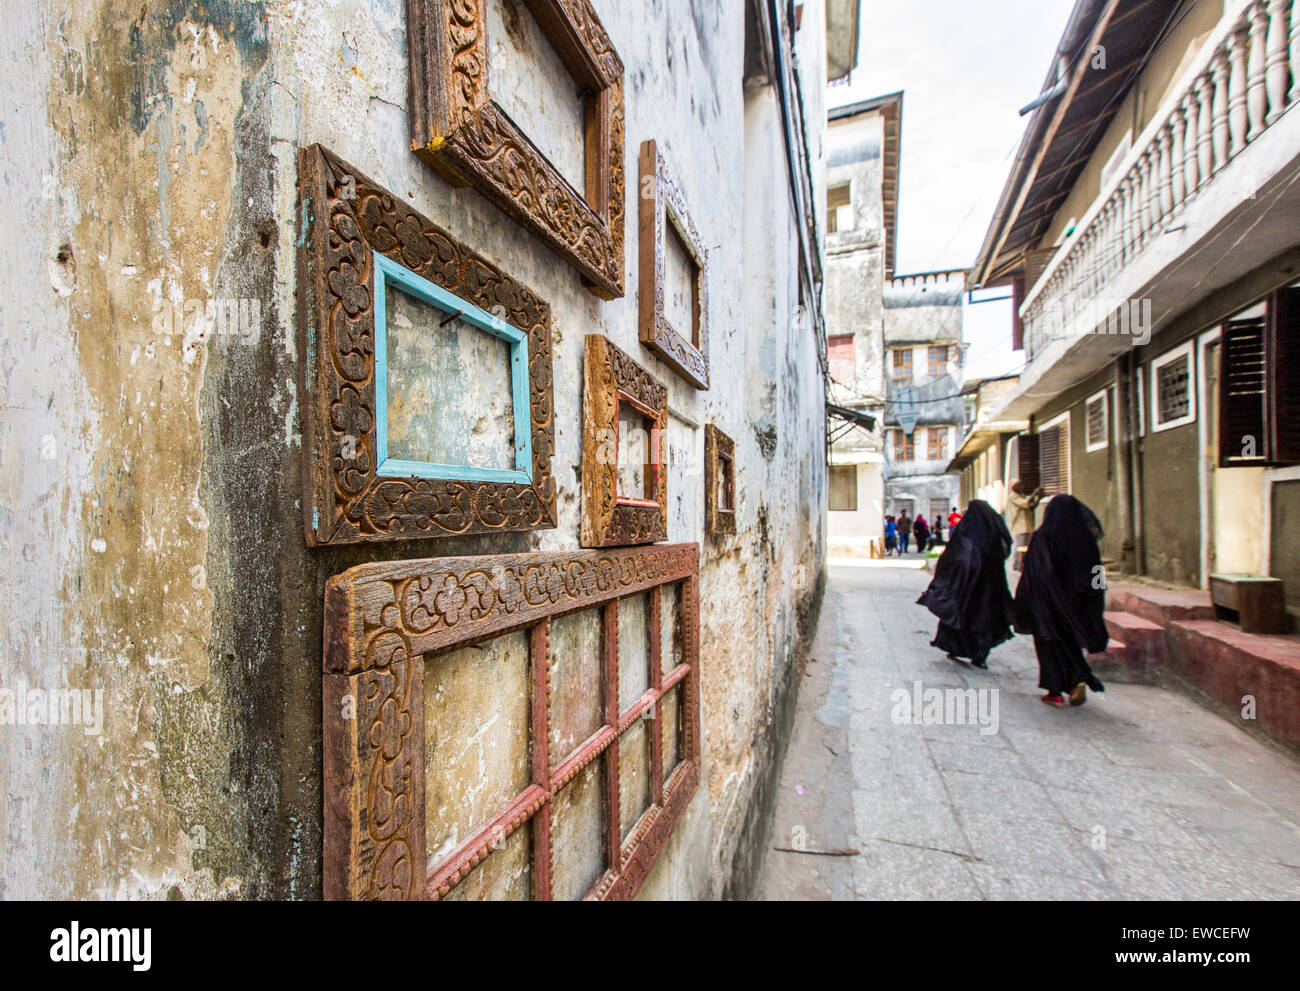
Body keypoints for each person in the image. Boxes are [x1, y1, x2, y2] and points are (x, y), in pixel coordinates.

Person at [1013, 494, 1108, 708]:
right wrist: (1095, 598)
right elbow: (1098, 573)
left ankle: (1055, 692)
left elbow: (1033, 573)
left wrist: (1027, 601)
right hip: (1078, 603)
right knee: (1071, 643)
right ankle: (1076, 681)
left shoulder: (1044, 536)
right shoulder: (1086, 540)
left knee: (1049, 645)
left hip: (1048, 603)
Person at [917, 500, 1015, 670]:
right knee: (984, 620)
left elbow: (952, 558)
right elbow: (1005, 551)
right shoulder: (993, 534)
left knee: (961, 617)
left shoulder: (966, 533)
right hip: (989, 589)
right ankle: (980, 656)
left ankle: (955, 648)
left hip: (965, 587)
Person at [1007, 479, 1045, 572]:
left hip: (1027, 525)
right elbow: (1025, 503)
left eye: (1021, 485)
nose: (1021, 487)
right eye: (1019, 485)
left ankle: (1023, 564)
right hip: (1019, 526)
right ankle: (1016, 565)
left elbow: (1031, 507)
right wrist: (1034, 493)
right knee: (1019, 547)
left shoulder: (1022, 496)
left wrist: (1038, 498)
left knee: (1025, 547)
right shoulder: (1013, 496)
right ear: (1013, 487)